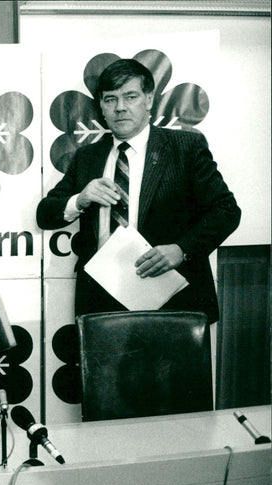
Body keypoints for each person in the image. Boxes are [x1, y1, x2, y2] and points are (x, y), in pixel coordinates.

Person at [36, 59, 240, 323]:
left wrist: (182, 248)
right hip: (101, 301)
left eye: (130, 96)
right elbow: (45, 214)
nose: (120, 108)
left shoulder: (185, 147)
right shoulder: (88, 157)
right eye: (110, 99)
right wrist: (80, 199)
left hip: (171, 299)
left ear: (149, 100)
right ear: (101, 106)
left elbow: (226, 211)